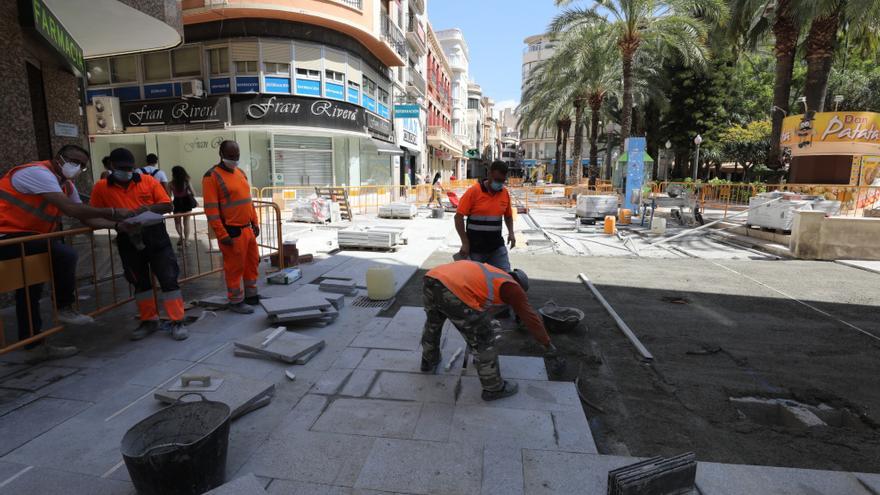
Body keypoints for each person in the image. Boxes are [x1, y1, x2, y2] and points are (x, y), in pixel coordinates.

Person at [0, 145, 134, 362]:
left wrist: (118, 225)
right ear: (58, 158)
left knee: (29, 291)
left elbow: (86, 218)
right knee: (65, 255)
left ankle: (33, 344)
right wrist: (111, 212)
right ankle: (63, 306)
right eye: (74, 161)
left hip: (29, 240)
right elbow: (72, 210)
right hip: (7, 236)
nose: (77, 167)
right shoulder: (37, 173)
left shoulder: (66, 186)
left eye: (82, 165)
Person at [420, 260, 564, 400]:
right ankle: (494, 388)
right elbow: (531, 319)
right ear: (520, 285)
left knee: (433, 324)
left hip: (432, 279)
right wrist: (547, 344)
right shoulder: (513, 288)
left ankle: (428, 361)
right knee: (484, 338)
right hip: (452, 288)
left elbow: (478, 302)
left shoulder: (494, 274)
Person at [89, 148, 188, 341]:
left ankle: (178, 321)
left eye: (129, 168)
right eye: (121, 168)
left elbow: (168, 205)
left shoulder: (148, 181)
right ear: (111, 166)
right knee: (140, 282)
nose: (126, 171)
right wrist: (117, 224)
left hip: (155, 235)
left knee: (168, 279)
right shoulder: (101, 188)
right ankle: (149, 320)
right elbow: (92, 216)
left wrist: (147, 208)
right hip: (128, 238)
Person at [202, 140, 261, 314]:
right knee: (234, 268)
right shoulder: (211, 176)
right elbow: (211, 210)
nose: (234, 159)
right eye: (231, 156)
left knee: (252, 264)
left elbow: (248, 201)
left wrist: (255, 222)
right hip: (232, 231)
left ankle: (252, 296)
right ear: (221, 154)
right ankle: (236, 301)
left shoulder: (240, 172)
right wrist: (222, 234)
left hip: (247, 228)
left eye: (236, 156)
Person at [455, 161, 515, 272]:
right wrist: (465, 242)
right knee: (473, 281)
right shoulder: (474, 192)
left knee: (505, 278)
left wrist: (511, 233)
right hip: (475, 249)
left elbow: (508, 216)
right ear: (489, 174)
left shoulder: (504, 193)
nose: (499, 183)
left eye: (502, 181)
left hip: (496, 247)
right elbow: (458, 217)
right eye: (497, 180)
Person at [170, 165, 197, 246]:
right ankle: (186, 241)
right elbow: (194, 193)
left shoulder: (170, 184)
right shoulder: (187, 182)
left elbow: (168, 197)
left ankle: (181, 238)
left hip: (177, 202)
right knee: (186, 222)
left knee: (177, 222)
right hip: (186, 202)